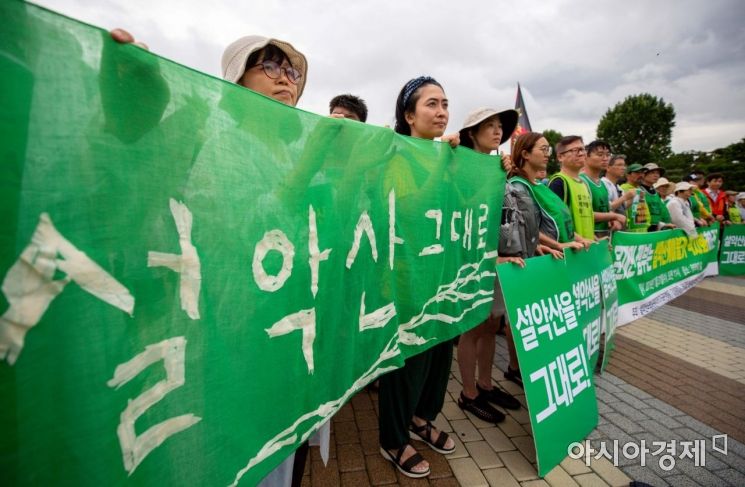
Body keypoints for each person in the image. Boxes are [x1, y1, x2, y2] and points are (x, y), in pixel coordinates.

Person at [378, 76, 457, 479]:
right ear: (408, 115)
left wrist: (493, 166)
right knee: (407, 357)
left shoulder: (452, 158)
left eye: (445, 103)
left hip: (443, 275)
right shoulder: (396, 156)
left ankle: (422, 418)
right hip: (405, 276)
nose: (442, 111)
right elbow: (409, 205)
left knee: (440, 349)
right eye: (431, 104)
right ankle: (393, 437)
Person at [454, 108, 523, 424]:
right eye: (489, 126)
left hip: (500, 261)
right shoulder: (460, 167)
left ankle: (485, 383)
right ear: (471, 132)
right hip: (475, 263)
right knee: (472, 327)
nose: (498, 132)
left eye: (500, 127)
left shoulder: (500, 167)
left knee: (490, 325)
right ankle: (468, 393)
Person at [499, 132, 584, 387]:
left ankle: (525, 366)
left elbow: (550, 222)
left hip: (542, 258)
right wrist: (557, 244)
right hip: (524, 262)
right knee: (518, 319)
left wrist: (575, 238)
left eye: (548, 150)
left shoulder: (539, 186)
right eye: (543, 149)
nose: (547, 155)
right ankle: (515, 368)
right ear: (525, 153)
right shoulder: (516, 185)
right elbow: (528, 227)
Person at [549, 136, 596, 240]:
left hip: (586, 249)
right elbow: (557, 222)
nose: (581, 154)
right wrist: (580, 240)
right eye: (575, 150)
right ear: (560, 157)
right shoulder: (558, 182)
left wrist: (594, 238)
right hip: (571, 250)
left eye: (583, 149)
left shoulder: (583, 184)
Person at [579, 140, 626, 237]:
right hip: (588, 237)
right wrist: (614, 216)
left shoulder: (602, 184)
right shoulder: (581, 181)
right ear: (586, 156)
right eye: (600, 154)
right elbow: (583, 215)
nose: (605, 158)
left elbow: (605, 208)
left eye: (608, 155)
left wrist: (613, 220)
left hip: (604, 237)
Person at [640, 163, 675, 231]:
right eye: (652, 172)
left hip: (658, 229)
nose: (656, 175)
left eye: (658, 173)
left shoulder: (655, 193)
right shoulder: (639, 190)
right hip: (644, 230)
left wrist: (666, 224)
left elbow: (663, 211)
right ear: (644, 174)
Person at [620, 164, 651, 232]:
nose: (641, 175)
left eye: (642, 173)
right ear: (628, 175)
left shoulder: (641, 190)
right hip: (629, 233)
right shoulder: (623, 189)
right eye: (637, 172)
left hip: (643, 231)